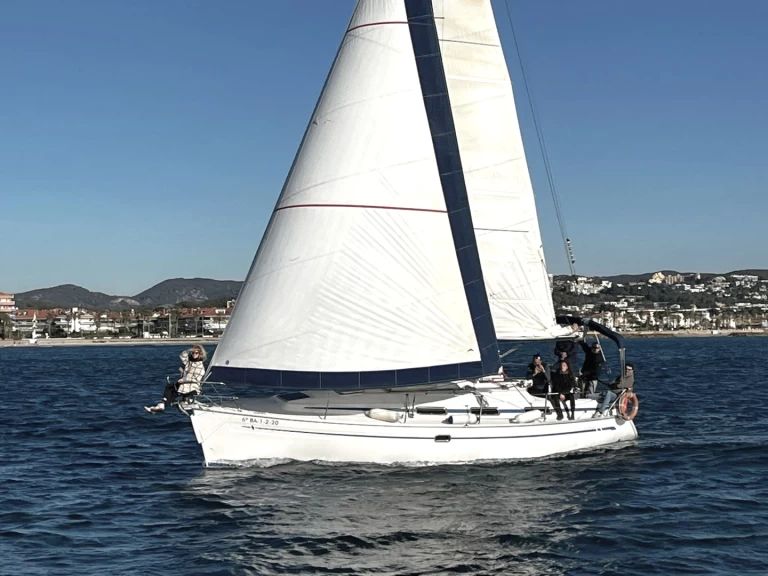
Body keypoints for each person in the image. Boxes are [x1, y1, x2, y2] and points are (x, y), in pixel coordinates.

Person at [145, 345, 207, 413]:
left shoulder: (200, 367)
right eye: (193, 352)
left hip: (192, 388)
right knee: (170, 387)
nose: (194, 354)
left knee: (179, 392)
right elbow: (182, 356)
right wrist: (189, 350)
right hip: (183, 386)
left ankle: (186, 402)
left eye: (196, 353)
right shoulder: (189, 362)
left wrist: (183, 379)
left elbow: (195, 378)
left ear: (200, 354)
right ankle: (162, 404)